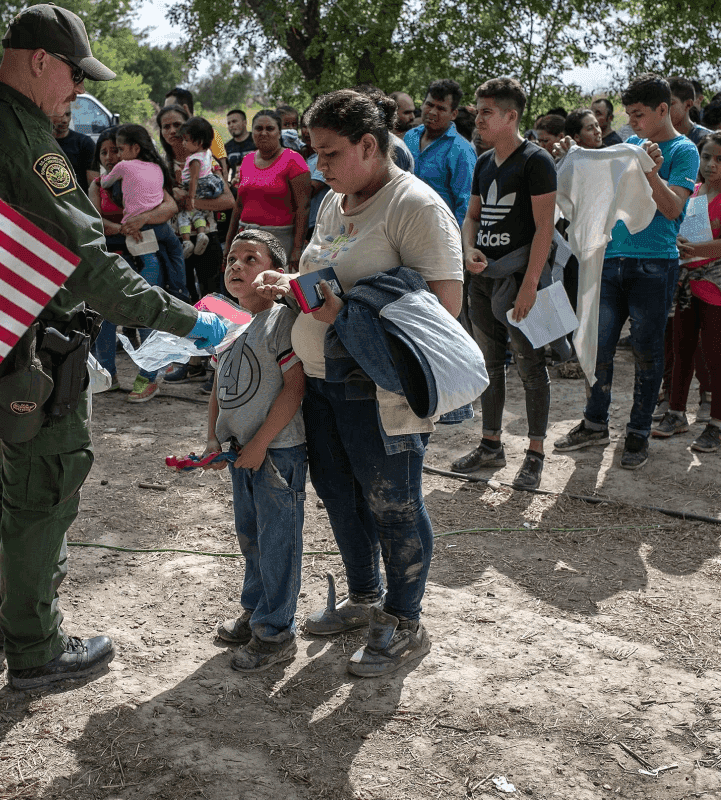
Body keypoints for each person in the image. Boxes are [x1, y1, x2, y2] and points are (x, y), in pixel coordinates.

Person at [0, 3, 227, 690]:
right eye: (75, 76)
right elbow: (85, 265)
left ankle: (7, 612)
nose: (80, 92)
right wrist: (185, 320)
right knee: (46, 483)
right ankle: (36, 647)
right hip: (29, 350)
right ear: (38, 61)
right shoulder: (16, 133)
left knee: (12, 475)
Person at [255, 89, 463, 677]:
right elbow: (329, 273)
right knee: (341, 497)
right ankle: (365, 598)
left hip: (380, 391)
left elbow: (443, 311)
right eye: (314, 153)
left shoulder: (415, 207)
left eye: (330, 153)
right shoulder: (334, 203)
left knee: (392, 503)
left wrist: (344, 314)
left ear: (369, 146)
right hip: (323, 383)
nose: (318, 167)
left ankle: (405, 619)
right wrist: (289, 280)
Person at [553, 73, 699, 469]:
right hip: (611, 258)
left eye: (638, 114)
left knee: (647, 352)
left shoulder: (684, 151)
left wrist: (651, 171)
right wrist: (572, 156)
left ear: (663, 110)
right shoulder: (630, 146)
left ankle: (638, 432)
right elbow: (595, 173)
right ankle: (594, 421)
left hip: (656, 263)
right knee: (598, 346)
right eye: (628, 115)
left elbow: (673, 210)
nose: (631, 123)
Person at [204, 229, 307, 672]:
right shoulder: (229, 327)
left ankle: (275, 631)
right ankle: (256, 609)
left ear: (276, 274)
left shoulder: (282, 321)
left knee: (277, 538)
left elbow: (295, 386)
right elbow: (217, 390)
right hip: (240, 452)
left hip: (277, 451)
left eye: (251, 259)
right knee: (250, 535)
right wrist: (213, 437)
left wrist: (262, 443)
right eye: (231, 259)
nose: (237, 266)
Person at [450, 77, 556, 489]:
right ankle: (491, 445)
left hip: (518, 279)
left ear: (511, 117)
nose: (478, 119)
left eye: (487, 112)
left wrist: (530, 285)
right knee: (489, 364)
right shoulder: (483, 161)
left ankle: (535, 454)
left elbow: (545, 229)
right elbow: (472, 215)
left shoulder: (536, 160)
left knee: (531, 366)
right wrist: (468, 248)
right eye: (478, 111)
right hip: (482, 279)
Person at [655, 132, 721, 451]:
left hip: (717, 285)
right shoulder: (692, 192)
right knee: (681, 349)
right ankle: (676, 413)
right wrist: (679, 244)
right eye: (707, 157)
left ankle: (719, 424)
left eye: (719, 159)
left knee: (714, 353)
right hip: (686, 283)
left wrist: (691, 248)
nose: (711, 164)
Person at [85, 126, 181, 392]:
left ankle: (148, 379)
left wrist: (141, 219)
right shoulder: (97, 185)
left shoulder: (146, 175)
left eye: (115, 150)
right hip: (111, 258)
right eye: (103, 152)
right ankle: (107, 374)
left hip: (144, 258)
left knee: (146, 314)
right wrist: (121, 229)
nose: (110, 156)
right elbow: (94, 222)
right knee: (105, 319)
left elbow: (170, 206)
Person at [97, 123, 192, 305]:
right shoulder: (156, 167)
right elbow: (170, 205)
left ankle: (147, 300)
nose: (115, 156)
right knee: (175, 250)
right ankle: (179, 291)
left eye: (119, 149)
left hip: (138, 229)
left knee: (150, 261)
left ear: (135, 148)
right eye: (106, 152)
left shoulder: (123, 166)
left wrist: (102, 178)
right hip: (161, 228)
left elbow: (105, 183)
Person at [156, 104, 236, 303]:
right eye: (166, 126)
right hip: (173, 242)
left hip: (206, 238)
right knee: (182, 299)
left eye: (178, 124)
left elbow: (228, 201)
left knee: (212, 299)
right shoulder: (157, 165)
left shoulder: (208, 161)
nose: (173, 131)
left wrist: (191, 202)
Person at [224, 109, 311, 271]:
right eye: (258, 128)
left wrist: (297, 249)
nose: (263, 133)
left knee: (276, 290)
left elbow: (303, 208)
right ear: (252, 132)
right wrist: (229, 243)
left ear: (279, 133)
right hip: (245, 238)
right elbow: (239, 206)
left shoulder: (294, 161)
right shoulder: (247, 160)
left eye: (269, 129)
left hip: (281, 241)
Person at [403, 79, 478, 223]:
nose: (432, 112)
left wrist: (458, 243)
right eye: (429, 105)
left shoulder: (461, 151)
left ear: (453, 114)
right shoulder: (409, 137)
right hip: (402, 230)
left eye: (441, 108)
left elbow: (466, 206)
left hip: (439, 236)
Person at [176, 116, 227, 257]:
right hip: (208, 186)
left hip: (197, 188)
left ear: (198, 142)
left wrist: (191, 198)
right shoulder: (207, 153)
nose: (183, 143)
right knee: (198, 214)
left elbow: (194, 178)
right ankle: (201, 234)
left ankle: (187, 242)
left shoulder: (194, 159)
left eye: (186, 140)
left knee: (184, 215)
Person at [164, 86, 228, 176]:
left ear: (185, 109)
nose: (166, 113)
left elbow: (223, 173)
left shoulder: (209, 134)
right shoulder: (171, 137)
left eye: (170, 109)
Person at [50, 107, 95, 193]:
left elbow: (93, 184)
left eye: (68, 114)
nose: (65, 120)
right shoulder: (41, 143)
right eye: (60, 115)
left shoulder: (85, 143)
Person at [669, 77, 712, 146]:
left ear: (688, 105)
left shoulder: (707, 140)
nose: (663, 108)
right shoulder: (651, 139)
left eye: (670, 103)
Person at [224, 109, 256, 184]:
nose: (231, 125)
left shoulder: (256, 140)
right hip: (236, 188)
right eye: (229, 123)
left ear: (245, 122)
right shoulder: (226, 147)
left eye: (234, 121)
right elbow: (225, 172)